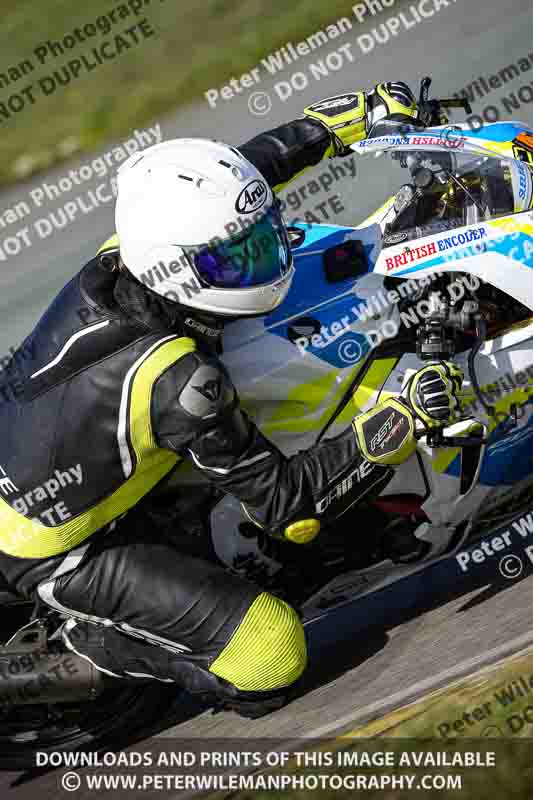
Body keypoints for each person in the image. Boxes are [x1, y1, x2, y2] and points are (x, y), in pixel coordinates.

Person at [0, 82, 463, 717]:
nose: (264, 259)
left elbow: (228, 194)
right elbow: (288, 508)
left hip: (50, 441)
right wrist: (394, 422)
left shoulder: (137, 250)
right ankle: (95, 646)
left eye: (260, 239)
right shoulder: (181, 385)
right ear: (183, 269)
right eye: (236, 260)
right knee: (271, 655)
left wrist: (334, 127)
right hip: (59, 547)